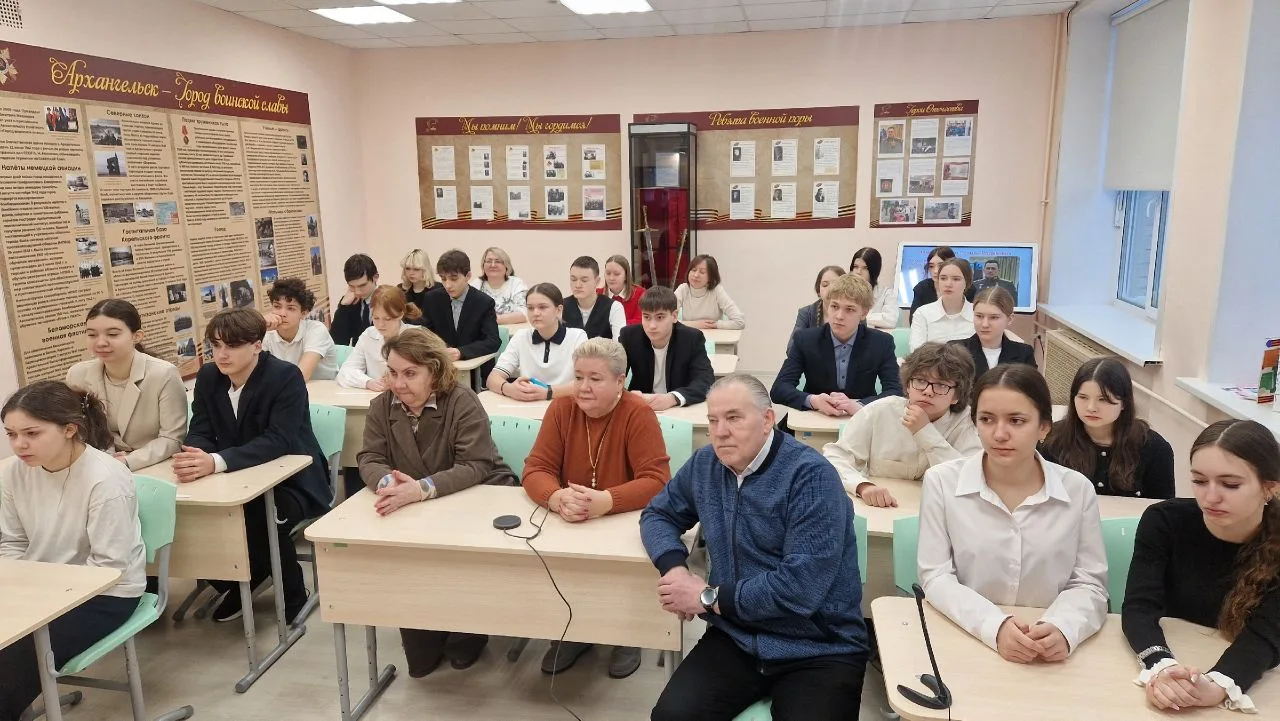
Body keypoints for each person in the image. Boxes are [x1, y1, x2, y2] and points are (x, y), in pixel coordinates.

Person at [642, 374, 868, 721]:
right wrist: (675, 569)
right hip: (737, 633)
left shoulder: (811, 476)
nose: (720, 432)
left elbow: (800, 590)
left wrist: (706, 597)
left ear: (767, 420)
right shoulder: (706, 464)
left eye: (734, 418)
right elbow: (658, 514)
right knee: (670, 717)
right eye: (713, 420)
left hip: (819, 645)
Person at [918, 365, 1108, 662]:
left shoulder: (1077, 489)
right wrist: (994, 626)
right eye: (986, 419)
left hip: (1045, 649)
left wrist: (1064, 627)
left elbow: (1089, 583)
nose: (999, 434)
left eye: (1016, 421)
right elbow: (936, 577)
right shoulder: (942, 482)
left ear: (1044, 427)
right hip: (966, 637)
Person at [357, 329, 518, 678]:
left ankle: (466, 636)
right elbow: (369, 457)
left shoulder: (462, 401)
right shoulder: (382, 406)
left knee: (460, 560)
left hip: (475, 494)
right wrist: (388, 484)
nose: (398, 383)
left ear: (434, 371)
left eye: (409, 373)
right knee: (421, 663)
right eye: (392, 372)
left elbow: (475, 465)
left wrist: (420, 489)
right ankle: (426, 631)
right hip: (414, 501)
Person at [521, 338, 671, 679]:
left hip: (624, 523)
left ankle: (628, 636)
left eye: (595, 378)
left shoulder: (638, 413)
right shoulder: (561, 409)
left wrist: (606, 500)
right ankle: (574, 632)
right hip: (571, 520)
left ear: (620, 381)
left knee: (618, 575)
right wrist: (556, 498)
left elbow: (658, 480)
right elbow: (536, 468)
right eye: (578, 377)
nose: (583, 387)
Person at [0, 381, 147, 721]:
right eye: (11, 434)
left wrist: (41, 601)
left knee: (16, 657)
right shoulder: (13, 473)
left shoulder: (105, 479)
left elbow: (108, 567)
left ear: (69, 429)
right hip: (41, 587)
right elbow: (12, 543)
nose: (19, 444)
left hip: (105, 594)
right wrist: (20, 592)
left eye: (32, 433)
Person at [176, 308, 332, 624]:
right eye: (216, 345)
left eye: (232, 346)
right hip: (236, 474)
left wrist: (215, 462)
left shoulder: (284, 377)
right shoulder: (209, 377)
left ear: (257, 346)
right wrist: (196, 456)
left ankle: (292, 593)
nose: (222, 354)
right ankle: (243, 578)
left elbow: (278, 440)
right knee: (197, 517)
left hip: (293, 479)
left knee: (260, 512)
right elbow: (201, 427)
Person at [1123, 419, 1279, 714]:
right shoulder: (1164, 521)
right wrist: (1162, 666)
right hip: (1177, 652)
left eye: (1230, 484)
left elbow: (1267, 634)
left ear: (1269, 487)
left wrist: (1218, 684)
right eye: (1199, 481)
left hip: (1250, 670)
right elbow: (1139, 606)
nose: (1210, 497)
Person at [824, 342, 980, 507]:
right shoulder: (880, 411)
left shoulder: (968, 423)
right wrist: (862, 486)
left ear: (957, 395)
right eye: (920, 381)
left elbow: (971, 479)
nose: (927, 391)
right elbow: (835, 458)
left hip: (941, 510)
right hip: (881, 509)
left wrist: (925, 432)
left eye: (941, 385)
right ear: (908, 385)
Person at [65, 298, 186, 471]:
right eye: (92, 335)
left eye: (113, 334)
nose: (100, 342)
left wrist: (126, 462)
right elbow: (77, 429)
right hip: (99, 465)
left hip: (153, 464)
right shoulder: (77, 375)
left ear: (137, 336)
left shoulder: (163, 374)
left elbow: (172, 439)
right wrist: (105, 458)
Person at [1041, 357, 1175, 499]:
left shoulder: (1154, 448)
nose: (1091, 407)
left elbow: (1163, 507)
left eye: (1103, 399)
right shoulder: (1052, 439)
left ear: (1124, 403)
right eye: (1083, 397)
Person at [771, 274, 901, 419]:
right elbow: (779, 389)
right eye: (834, 306)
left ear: (864, 313)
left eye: (849, 309)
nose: (839, 316)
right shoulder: (805, 339)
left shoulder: (881, 342)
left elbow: (896, 391)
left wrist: (858, 405)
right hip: (816, 417)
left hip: (861, 419)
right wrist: (813, 401)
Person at [619, 285, 714, 411]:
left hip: (678, 409)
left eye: (660, 317)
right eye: (646, 317)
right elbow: (613, 377)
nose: (652, 325)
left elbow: (705, 381)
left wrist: (672, 398)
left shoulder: (691, 338)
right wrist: (628, 395)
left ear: (674, 316)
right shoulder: (629, 336)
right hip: (640, 406)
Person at [486, 283, 587, 402]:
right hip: (529, 404)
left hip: (565, 404)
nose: (535, 313)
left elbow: (585, 381)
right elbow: (492, 379)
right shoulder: (521, 337)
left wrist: (547, 393)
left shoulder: (577, 337)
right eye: (530, 308)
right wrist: (510, 389)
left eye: (542, 307)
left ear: (559, 310)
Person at [418, 249, 501, 373]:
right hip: (440, 368)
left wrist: (460, 352)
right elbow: (425, 335)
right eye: (443, 279)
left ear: (468, 276)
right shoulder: (432, 299)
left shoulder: (484, 302)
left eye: (454, 279)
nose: (448, 285)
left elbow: (493, 341)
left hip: (474, 370)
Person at [336, 285, 423, 391]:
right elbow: (346, 371)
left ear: (400, 314)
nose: (380, 325)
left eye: (387, 319)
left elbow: (427, 375)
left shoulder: (417, 336)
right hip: (376, 396)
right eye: (376, 318)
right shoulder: (368, 335)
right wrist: (368, 382)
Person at [950, 287, 1035, 380]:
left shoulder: (1024, 354)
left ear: (1010, 319)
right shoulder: (954, 351)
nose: (985, 324)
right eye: (979, 316)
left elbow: (1031, 388)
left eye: (994, 317)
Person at [262, 277, 338, 381]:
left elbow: (301, 376)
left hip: (326, 388)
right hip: (288, 389)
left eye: (291, 308)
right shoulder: (266, 332)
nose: (282, 314)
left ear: (303, 313)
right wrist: (259, 328)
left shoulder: (316, 330)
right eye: (277, 306)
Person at [909, 258, 974, 351]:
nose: (948, 284)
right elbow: (916, 351)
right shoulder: (922, 313)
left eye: (956, 279)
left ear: (967, 282)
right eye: (943, 278)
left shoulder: (977, 313)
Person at [674, 255, 745, 330]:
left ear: (711, 277)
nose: (696, 275)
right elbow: (669, 320)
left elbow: (740, 322)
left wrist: (716, 325)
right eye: (694, 270)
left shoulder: (717, 290)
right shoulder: (683, 289)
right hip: (690, 335)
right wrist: (697, 324)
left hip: (714, 336)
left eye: (702, 272)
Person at [563, 256, 626, 339]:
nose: (577, 285)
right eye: (573, 279)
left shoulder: (614, 307)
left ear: (597, 281)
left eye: (584, 280)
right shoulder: (561, 306)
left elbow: (619, 344)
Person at [908, 246, 974, 322]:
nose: (935, 271)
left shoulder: (969, 289)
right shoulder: (922, 288)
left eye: (940, 265)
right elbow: (914, 320)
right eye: (931, 266)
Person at [470, 246, 528, 325]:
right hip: (483, 332)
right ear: (483, 265)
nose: (493, 265)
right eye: (489, 261)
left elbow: (523, 314)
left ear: (506, 266)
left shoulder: (516, 283)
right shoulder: (476, 284)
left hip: (512, 331)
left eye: (498, 261)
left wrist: (490, 319)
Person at [330, 253, 379, 346]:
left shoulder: (389, 301)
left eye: (362, 285)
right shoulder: (350, 302)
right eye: (352, 286)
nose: (357, 292)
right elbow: (337, 343)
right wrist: (343, 307)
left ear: (375, 277)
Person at [851, 247, 899, 329]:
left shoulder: (886, 293)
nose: (858, 272)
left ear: (874, 271)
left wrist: (858, 317)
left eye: (865, 268)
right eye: (856, 267)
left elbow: (891, 320)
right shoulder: (844, 292)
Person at [792, 265, 845, 334]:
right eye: (825, 285)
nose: (830, 289)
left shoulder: (855, 311)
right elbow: (795, 340)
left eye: (836, 284)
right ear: (818, 291)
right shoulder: (806, 313)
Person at [601, 254, 646, 326]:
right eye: (608, 273)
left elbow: (642, 320)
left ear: (626, 276)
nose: (611, 278)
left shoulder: (640, 293)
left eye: (616, 274)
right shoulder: (597, 294)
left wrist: (614, 325)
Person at [398, 248, 435, 313]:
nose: (411, 273)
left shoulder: (437, 290)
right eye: (407, 268)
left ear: (425, 270)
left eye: (416, 269)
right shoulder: (400, 290)